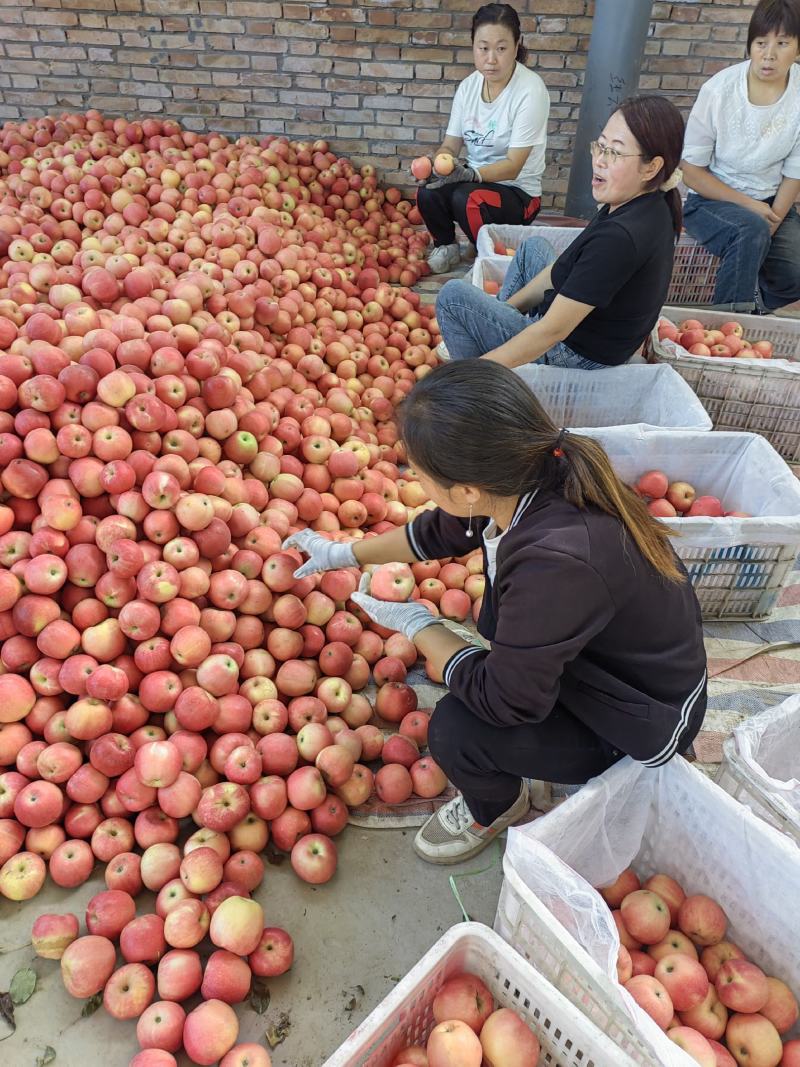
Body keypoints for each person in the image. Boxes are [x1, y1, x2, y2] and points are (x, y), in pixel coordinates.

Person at [284, 361, 708, 865]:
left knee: (456, 730)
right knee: (487, 655)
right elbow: (437, 533)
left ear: (466, 490)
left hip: (642, 722)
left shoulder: (557, 562)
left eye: (419, 476)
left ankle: (498, 806)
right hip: (603, 671)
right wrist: (343, 554)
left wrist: (421, 626)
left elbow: (507, 703)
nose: (415, 483)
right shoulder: (533, 473)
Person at [434, 95, 685, 369]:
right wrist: (503, 314)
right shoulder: (647, 201)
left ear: (652, 166)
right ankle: (499, 339)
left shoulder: (620, 237)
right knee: (533, 248)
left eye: (614, 152)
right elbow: (561, 269)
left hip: (578, 352)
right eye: (600, 147)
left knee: (453, 298)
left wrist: (475, 370)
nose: (600, 160)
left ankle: (477, 390)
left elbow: (552, 332)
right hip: (589, 329)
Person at [681, 0, 800, 313]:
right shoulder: (718, 91)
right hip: (710, 202)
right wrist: (750, 208)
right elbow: (691, 171)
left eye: (783, 43)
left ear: (798, 50)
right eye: (761, 43)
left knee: (795, 271)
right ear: (750, 45)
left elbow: (795, 173)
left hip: (773, 204)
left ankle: (767, 323)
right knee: (749, 230)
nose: (769, 54)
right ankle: (727, 327)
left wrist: (771, 219)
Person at [415, 3, 550, 274]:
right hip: (476, 183)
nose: (491, 59)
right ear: (473, 45)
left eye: (501, 48)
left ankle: (487, 260)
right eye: (483, 47)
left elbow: (514, 165)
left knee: (467, 198)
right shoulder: (468, 87)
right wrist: (437, 163)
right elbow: (451, 143)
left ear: (517, 44)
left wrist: (470, 175)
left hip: (519, 194)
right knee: (428, 192)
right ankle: (447, 247)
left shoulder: (529, 91)